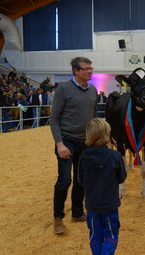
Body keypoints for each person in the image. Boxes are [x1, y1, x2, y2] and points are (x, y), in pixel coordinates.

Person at [49, 57, 98, 235]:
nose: (89, 71)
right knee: (64, 180)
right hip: (66, 141)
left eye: (91, 68)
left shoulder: (93, 90)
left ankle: (77, 213)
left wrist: (93, 141)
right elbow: (54, 119)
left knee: (81, 180)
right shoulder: (63, 89)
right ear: (76, 71)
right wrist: (60, 144)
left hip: (85, 142)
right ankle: (58, 218)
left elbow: (93, 119)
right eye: (85, 69)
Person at [78, 118, 127, 255]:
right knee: (111, 234)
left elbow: (80, 180)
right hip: (110, 204)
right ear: (107, 135)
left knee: (95, 235)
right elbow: (121, 177)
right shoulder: (115, 156)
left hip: (92, 205)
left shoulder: (83, 156)